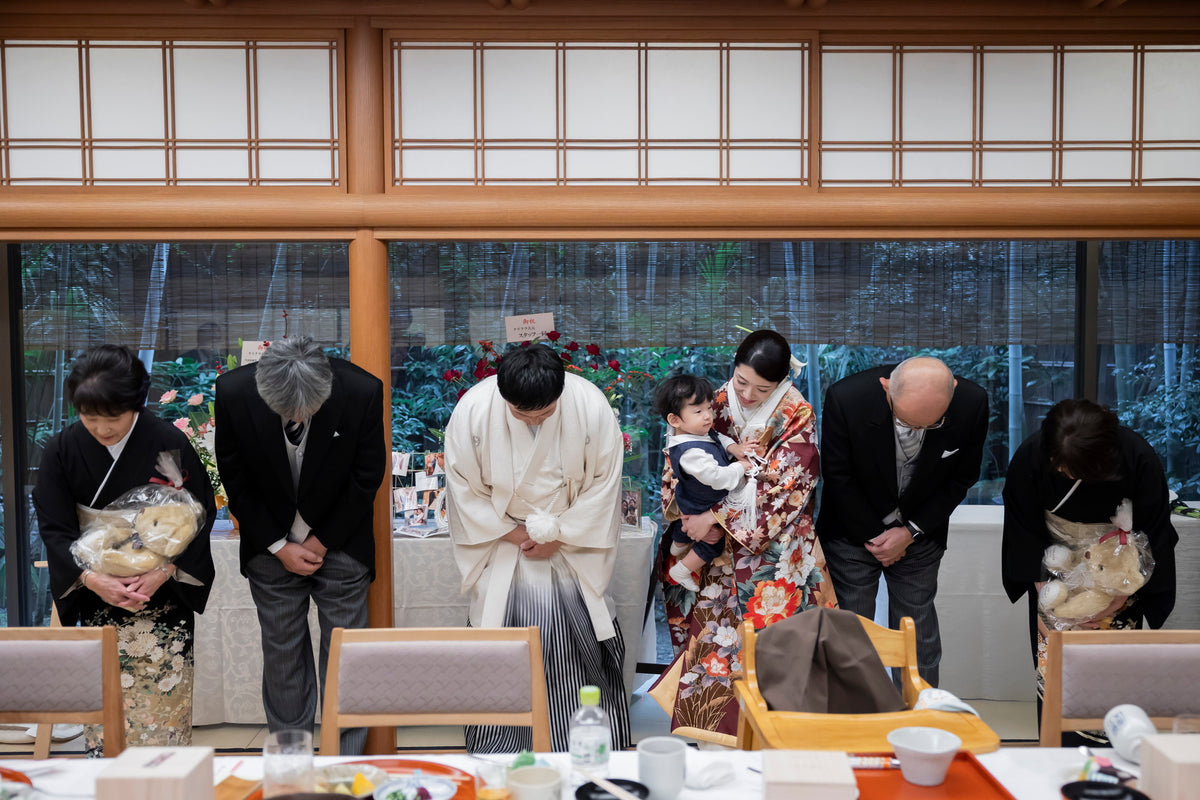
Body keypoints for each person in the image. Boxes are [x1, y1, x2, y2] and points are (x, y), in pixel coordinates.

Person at [650, 330, 838, 746]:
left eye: (762, 388)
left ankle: (778, 732)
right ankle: (709, 732)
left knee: (774, 638)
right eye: (741, 382)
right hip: (712, 546)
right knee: (712, 635)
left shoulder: (795, 412)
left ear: (781, 382)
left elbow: (790, 483)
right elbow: (677, 453)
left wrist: (717, 516)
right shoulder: (712, 400)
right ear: (733, 366)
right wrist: (692, 514)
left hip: (773, 547)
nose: (749, 394)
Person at [444, 343, 631, 753]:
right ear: (502, 392)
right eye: (521, 413)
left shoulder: (590, 404)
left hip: (572, 546)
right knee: (501, 653)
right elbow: (461, 487)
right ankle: (500, 752)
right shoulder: (474, 408)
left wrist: (560, 535)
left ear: (561, 391)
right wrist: (513, 534)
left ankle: (588, 749)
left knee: (583, 654)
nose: (533, 419)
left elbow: (605, 483)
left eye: (543, 413)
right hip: (504, 546)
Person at [34, 344, 216, 755]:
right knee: (108, 711)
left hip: (162, 596)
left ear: (136, 403)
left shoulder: (167, 442)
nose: (101, 428)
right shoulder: (62, 450)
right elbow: (56, 528)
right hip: (100, 595)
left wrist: (162, 572)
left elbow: (198, 515)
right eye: (89, 416)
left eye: (112, 417)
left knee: (163, 711)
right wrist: (92, 579)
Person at [214, 336, 385, 755]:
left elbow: (366, 477)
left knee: (345, 652)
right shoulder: (234, 391)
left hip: (340, 540)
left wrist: (321, 541)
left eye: (306, 410)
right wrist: (277, 545)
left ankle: (344, 760)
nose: (296, 417)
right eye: (285, 411)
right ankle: (290, 758)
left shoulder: (361, 389)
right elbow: (234, 477)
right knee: (282, 653)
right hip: (269, 542)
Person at [1002, 398, 1178, 742]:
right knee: (1054, 666)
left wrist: (1118, 596)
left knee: (1112, 667)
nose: (1065, 473)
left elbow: (1153, 532)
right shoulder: (1031, 454)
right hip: (1054, 568)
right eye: (1060, 465)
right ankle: (1055, 747)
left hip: (1120, 568)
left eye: (1075, 469)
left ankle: (1116, 752)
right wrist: (1048, 597)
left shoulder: (1137, 457)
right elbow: (1022, 530)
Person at [817, 356, 988, 687]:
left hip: (920, 534)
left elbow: (961, 478)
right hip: (852, 530)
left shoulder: (972, 402)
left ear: (953, 390)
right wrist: (878, 535)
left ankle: (920, 719)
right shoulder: (846, 398)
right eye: (907, 422)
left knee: (917, 632)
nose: (917, 432)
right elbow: (838, 476)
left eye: (930, 425)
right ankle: (855, 722)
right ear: (886, 390)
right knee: (852, 633)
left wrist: (909, 532)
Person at [653, 373, 753, 592]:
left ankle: (678, 545)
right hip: (703, 501)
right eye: (698, 411)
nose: (708, 416)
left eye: (709, 408)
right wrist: (740, 467)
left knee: (684, 523)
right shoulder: (690, 454)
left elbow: (717, 438)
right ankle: (681, 570)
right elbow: (718, 479)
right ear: (674, 420)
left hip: (692, 498)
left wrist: (733, 448)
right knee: (712, 543)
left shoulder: (696, 432)